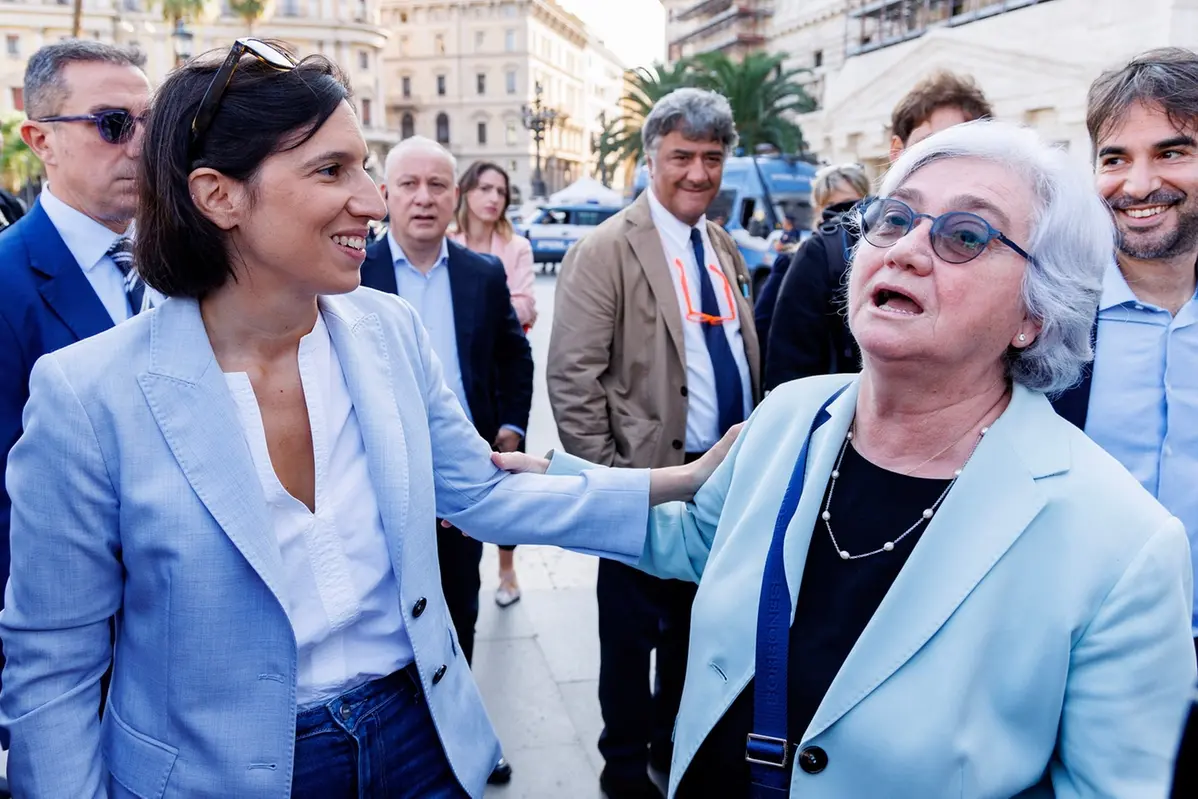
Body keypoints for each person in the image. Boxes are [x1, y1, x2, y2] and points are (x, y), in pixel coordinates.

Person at [0, 43, 723, 799]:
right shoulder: (88, 394)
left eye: (365, 168)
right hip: (221, 775)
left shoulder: (387, 331)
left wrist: (683, 483)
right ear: (219, 196)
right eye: (331, 171)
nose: (375, 203)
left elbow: (479, 492)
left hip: (418, 744)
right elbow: (54, 663)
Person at [526, 120, 1197, 796]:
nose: (905, 249)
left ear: (1037, 312)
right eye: (895, 218)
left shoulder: (1123, 544)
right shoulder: (794, 412)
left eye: (965, 235)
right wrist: (529, 488)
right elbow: (700, 538)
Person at [548, 87, 759, 798]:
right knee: (630, 640)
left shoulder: (723, 245)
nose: (699, 172)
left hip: (722, 492)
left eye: (712, 157)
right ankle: (624, 766)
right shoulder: (605, 249)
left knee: (696, 633)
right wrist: (610, 490)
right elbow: (572, 377)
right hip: (640, 485)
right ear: (649, 161)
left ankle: (675, 747)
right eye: (682, 156)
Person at [359, 137, 533, 785]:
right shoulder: (351, 274)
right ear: (385, 196)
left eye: (438, 184)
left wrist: (509, 434)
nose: (424, 198)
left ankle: (465, 741)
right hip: (378, 488)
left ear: (456, 197)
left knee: (459, 616)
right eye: (409, 184)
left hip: (466, 481)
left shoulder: (482, 276)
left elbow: (515, 360)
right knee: (391, 629)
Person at [0, 39, 150, 692]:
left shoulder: (191, 269)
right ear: (41, 139)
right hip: (79, 653)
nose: (141, 145)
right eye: (114, 124)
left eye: (154, 124)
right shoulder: (6, 281)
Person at [1051, 48, 1198, 664]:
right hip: (1071, 654)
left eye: (1172, 152)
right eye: (1115, 159)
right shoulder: (1040, 313)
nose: (1138, 185)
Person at [761, 70, 991, 390]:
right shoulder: (828, 250)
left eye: (963, 149)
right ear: (897, 150)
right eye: (930, 147)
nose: (945, 162)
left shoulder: (991, 252)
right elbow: (789, 377)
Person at [449, 159, 537, 609]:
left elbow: (525, 305)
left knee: (505, 480)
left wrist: (471, 308)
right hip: (457, 377)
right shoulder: (448, 242)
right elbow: (515, 310)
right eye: (484, 188)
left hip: (501, 376)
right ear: (465, 191)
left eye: (500, 192)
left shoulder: (514, 246)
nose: (492, 198)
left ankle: (506, 569)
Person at [755, 164, 869, 364]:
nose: (843, 216)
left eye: (852, 205)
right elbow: (765, 325)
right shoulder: (794, 259)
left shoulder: (881, 254)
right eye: (834, 206)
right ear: (819, 210)